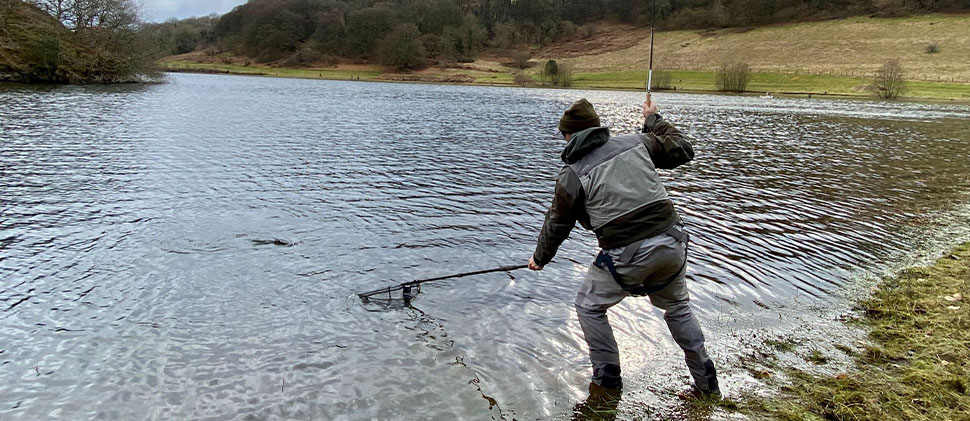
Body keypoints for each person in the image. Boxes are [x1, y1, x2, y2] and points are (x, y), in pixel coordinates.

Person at [527, 98, 719, 399]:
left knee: (588, 306)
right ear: (597, 128)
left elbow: (557, 224)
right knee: (678, 307)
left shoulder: (571, 174)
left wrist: (540, 258)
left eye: (563, 134)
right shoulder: (637, 142)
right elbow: (682, 148)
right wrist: (654, 120)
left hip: (628, 255)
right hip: (673, 242)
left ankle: (607, 385)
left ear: (569, 135)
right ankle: (707, 385)